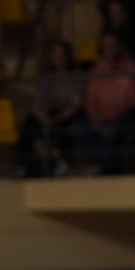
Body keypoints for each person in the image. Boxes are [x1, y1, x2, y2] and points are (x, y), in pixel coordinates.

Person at [17, 40, 83, 177]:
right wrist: (44, 119)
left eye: (62, 55)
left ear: (67, 56)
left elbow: (75, 104)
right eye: (55, 55)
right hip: (47, 114)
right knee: (28, 123)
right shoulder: (47, 77)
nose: (59, 58)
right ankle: (23, 164)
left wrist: (57, 119)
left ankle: (64, 163)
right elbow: (37, 103)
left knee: (71, 124)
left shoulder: (75, 76)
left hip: (65, 114)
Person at [77, 32, 135, 174]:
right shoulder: (98, 70)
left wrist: (110, 115)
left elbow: (130, 98)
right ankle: (109, 166)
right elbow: (90, 99)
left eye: (112, 46)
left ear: (119, 47)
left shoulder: (129, 67)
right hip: (100, 117)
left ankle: (106, 168)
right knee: (78, 127)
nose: (109, 49)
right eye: (106, 46)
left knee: (109, 131)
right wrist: (95, 118)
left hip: (121, 115)